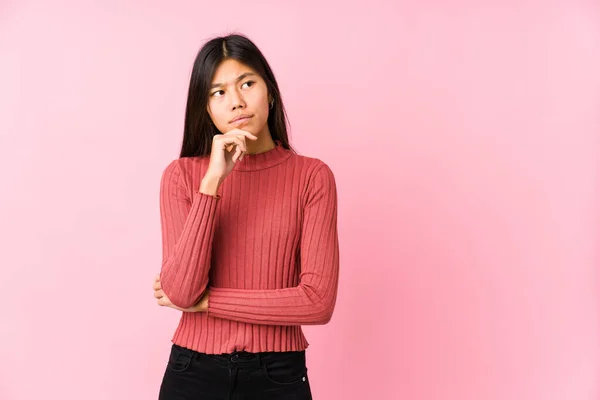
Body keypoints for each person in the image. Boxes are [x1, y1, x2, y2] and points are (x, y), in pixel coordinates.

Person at [152, 33, 340, 400]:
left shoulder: (312, 177)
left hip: (278, 375)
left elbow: (317, 301)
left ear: (269, 91)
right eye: (218, 92)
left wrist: (207, 303)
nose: (236, 102)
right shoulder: (182, 176)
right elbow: (180, 290)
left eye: (247, 84)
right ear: (205, 109)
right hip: (192, 373)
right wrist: (212, 184)